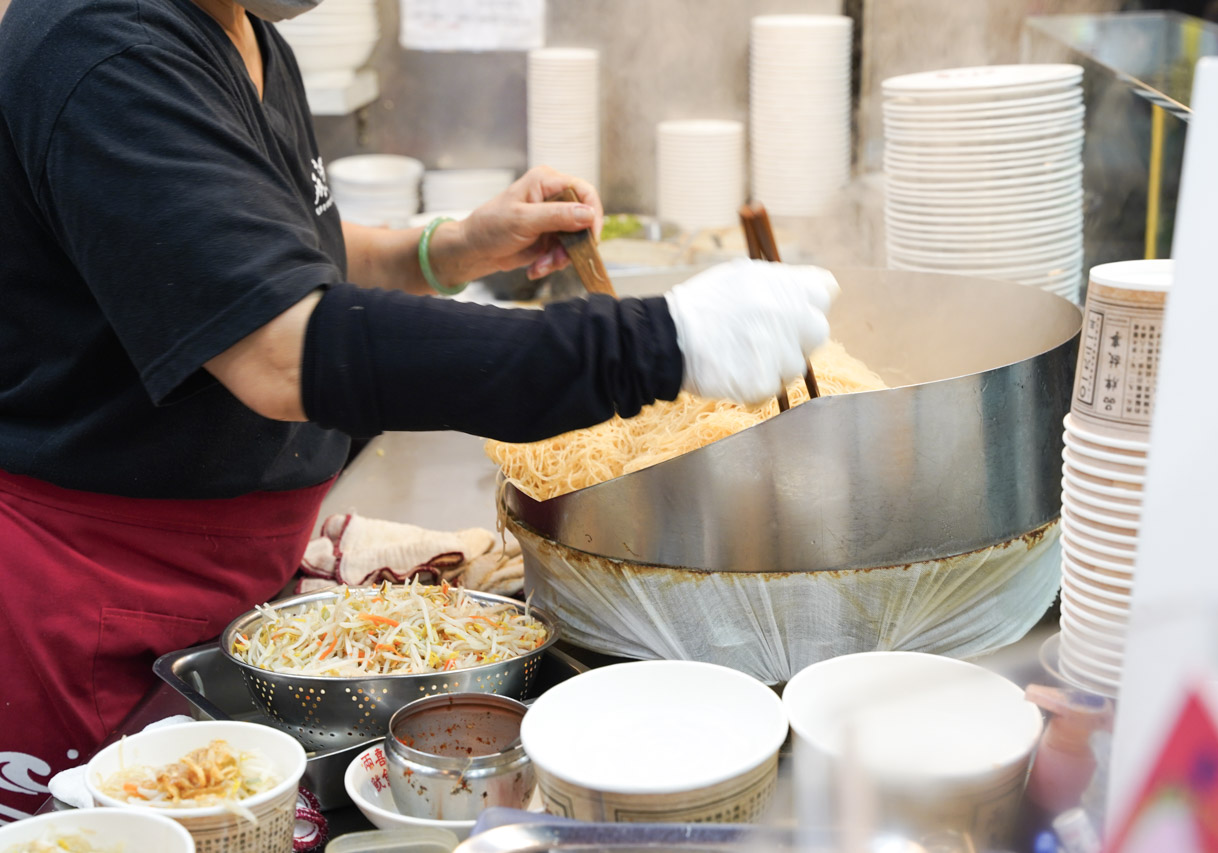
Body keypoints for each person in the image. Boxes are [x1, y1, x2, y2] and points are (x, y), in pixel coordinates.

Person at [0, 0, 837, 821]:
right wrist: (659, 340)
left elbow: (271, 250)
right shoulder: (105, 47)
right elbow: (277, 345)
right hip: (91, 604)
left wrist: (445, 248)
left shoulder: (243, 27)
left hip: (224, 578)